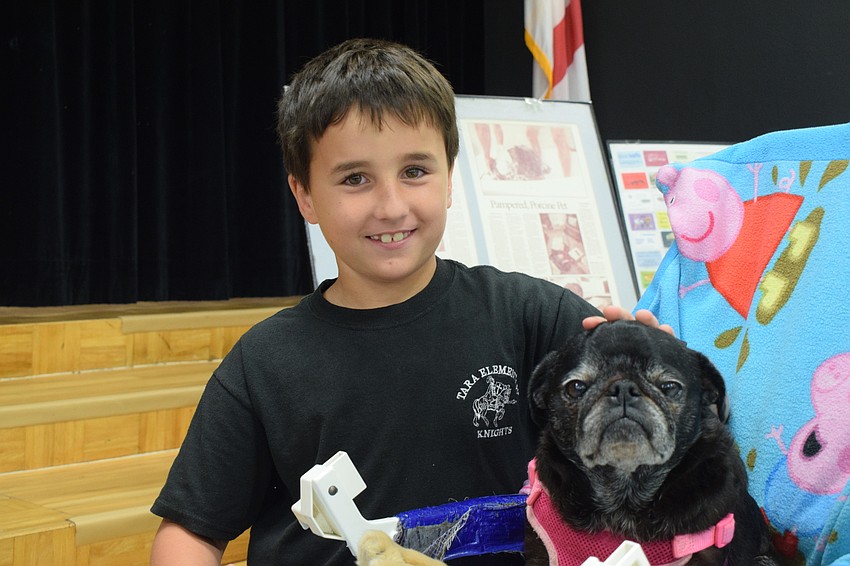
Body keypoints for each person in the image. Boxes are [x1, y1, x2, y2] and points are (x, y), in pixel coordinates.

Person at [149, 38, 667, 566]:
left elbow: (649, 449)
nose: (391, 206)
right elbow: (192, 533)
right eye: (355, 179)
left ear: (449, 177)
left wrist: (662, 387)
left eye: (415, 171)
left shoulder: (533, 316)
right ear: (304, 194)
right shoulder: (265, 361)